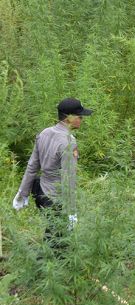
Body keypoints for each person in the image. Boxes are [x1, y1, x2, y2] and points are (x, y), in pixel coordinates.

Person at [13, 98, 93, 246]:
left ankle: (43, 258)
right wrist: (71, 211)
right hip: (55, 199)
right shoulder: (68, 142)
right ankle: (41, 262)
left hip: (40, 192)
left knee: (53, 234)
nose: (82, 119)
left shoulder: (44, 133)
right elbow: (68, 179)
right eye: (80, 116)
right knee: (59, 243)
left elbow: (32, 166)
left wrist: (22, 193)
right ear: (69, 117)